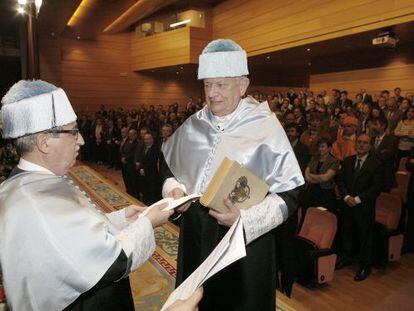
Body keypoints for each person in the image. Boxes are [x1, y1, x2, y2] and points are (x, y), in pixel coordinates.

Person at [0, 80, 199, 311]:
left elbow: (73, 234)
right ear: (44, 142)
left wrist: (121, 218)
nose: (81, 140)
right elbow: (111, 262)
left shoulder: (30, 184)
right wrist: (148, 221)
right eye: (73, 132)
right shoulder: (35, 200)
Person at [160, 39, 304, 310]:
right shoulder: (195, 123)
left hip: (244, 244)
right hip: (196, 235)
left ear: (243, 84)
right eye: (207, 85)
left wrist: (245, 220)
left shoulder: (265, 126)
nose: (212, 93)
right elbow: (170, 166)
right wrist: (174, 189)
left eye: (221, 84)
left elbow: (290, 192)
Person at [336, 134, 383, 281]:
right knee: (347, 232)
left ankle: (364, 266)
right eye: (360, 142)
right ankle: (347, 257)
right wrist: (346, 197)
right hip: (347, 204)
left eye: (365, 143)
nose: (361, 145)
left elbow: (376, 188)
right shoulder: (348, 161)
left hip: (364, 207)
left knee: (364, 237)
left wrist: (357, 199)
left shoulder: (376, 164)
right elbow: (341, 181)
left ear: (370, 146)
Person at [303, 137, 339, 215]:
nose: (320, 149)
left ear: (329, 148)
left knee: (322, 216)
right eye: (319, 146)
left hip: (326, 193)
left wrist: (311, 175)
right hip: (311, 191)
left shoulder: (334, 161)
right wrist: (318, 178)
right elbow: (306, 175)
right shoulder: (313, 158)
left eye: (323, 146)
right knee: (308, 213)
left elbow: (326, 178)